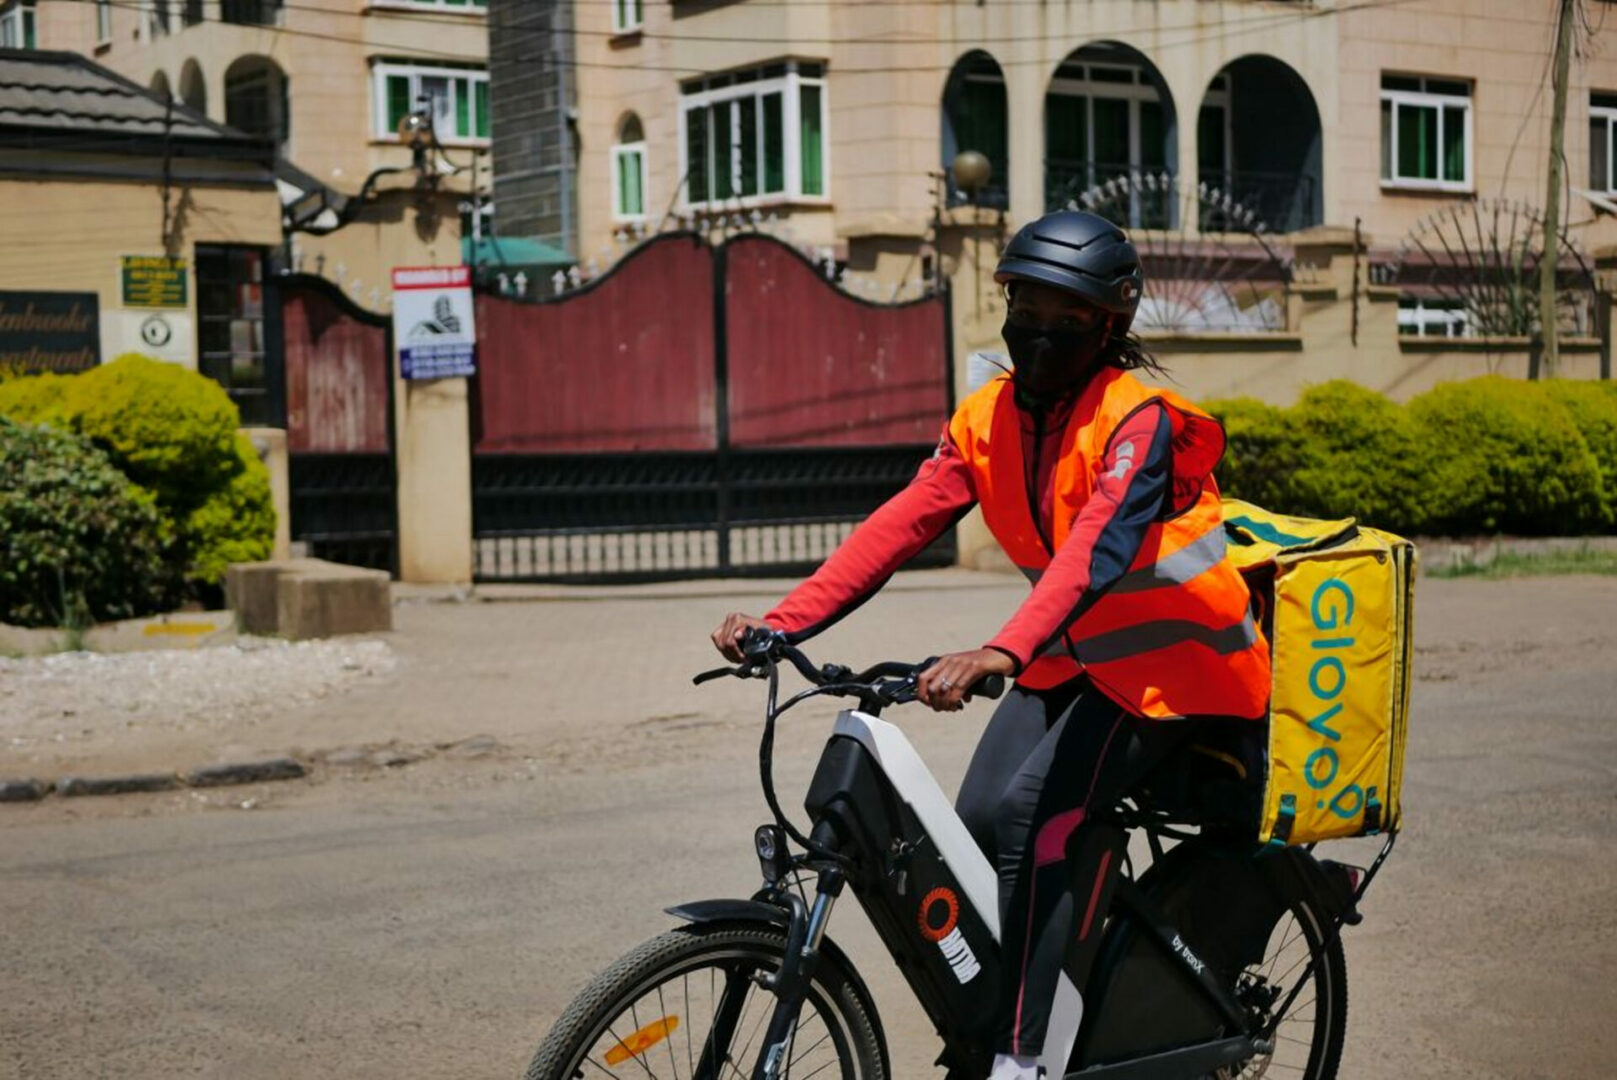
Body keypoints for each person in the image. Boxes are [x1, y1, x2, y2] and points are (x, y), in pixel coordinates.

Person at [710, 210, 1272, 1080]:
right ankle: (1073, 981)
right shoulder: (988, 417)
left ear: (1111, 320)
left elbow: (1095, 550)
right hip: (1074, 659)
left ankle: (1020, 1061)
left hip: (1174, 670)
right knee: (973, 827)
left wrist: (1000, 652)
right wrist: (784, 621)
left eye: (1065, 312)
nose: (1038, 329)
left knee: (1031, 822)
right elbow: (898, 525)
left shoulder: (1139, 421)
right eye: (1024, 304)